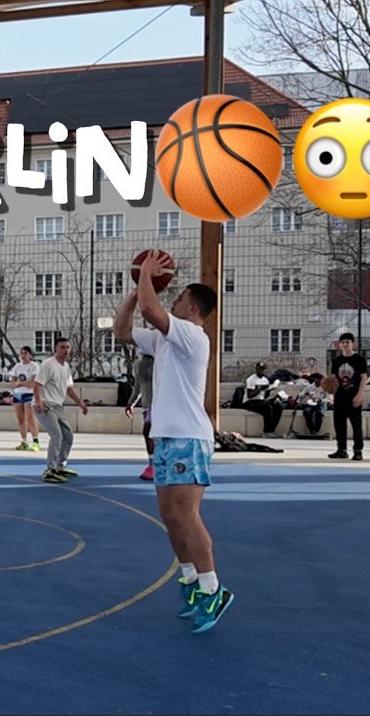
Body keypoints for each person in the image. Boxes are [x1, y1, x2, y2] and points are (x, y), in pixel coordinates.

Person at [113, 249, 232, 634]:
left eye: (178, 298)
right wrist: (136, 286)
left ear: (193, 308)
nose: (173, 301)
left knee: (187, 515)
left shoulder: (192, 335)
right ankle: (191, 581)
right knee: (169, 516)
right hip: (168, 438)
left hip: (188, 437)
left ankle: (214, 588)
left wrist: (147, 274)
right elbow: (123, 330)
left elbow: (151, 311)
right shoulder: (166, 340)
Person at [32, 338, 88, 484]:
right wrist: (38, 402)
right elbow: (37, 384)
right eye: (62, 347)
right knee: (56, 435)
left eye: (68, 347)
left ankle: (60, 465)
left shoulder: (66, 367)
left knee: (68, 435)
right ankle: (49, 470)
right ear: (56, 349)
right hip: (45, 405)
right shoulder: (48, 364)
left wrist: (80, 403)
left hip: (58, 406)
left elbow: (68, 388)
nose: (66, 350)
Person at [329, 332, 368, 461]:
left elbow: (363, 378)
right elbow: (334, 378)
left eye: (347, 342)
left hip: (353, 395)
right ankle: (341, 449)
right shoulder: (337, 361)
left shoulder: (359, 360)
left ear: (352, 343)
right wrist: (330, 390)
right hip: (340, 396)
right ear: (340, 344)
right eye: (343, 342)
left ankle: (358, 450)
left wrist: (360, 394)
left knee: (356, 424)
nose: (345, 345)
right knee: (339, 424)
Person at [125, 354, 156, 481]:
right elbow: (138, 386)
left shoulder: (161, 362)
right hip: (148, 406)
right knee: (148, 434)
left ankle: (157, 465)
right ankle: (153, 464)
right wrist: (131, 403)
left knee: (151, 433)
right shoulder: (140, 365)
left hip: (161, 405)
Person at [7, 346, 42, 451]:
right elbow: (12, 383)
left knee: (30, 418)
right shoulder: (17, 366)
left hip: (29, 394)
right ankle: (24, 441)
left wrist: (20, 382)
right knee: (21, 419)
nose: (23, 355)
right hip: (18, 394)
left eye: (25, 353)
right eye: (21, 353)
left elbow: (32, 383)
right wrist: (19, 384)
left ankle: (35, 441)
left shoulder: (34, 366)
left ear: (30, 354)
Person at [241, 362, 284, 437]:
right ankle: (266, 431)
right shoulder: (251, 379)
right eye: (259, 369)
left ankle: (271, 430)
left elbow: (265, 396)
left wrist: (269, 390)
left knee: (278, 406)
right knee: (267, 408)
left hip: (260, 401)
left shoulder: (265, 380)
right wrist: (260, 389)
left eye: (263, 370)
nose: (261, 371)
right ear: (256, 369)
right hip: (250, 402)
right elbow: (249, 395)